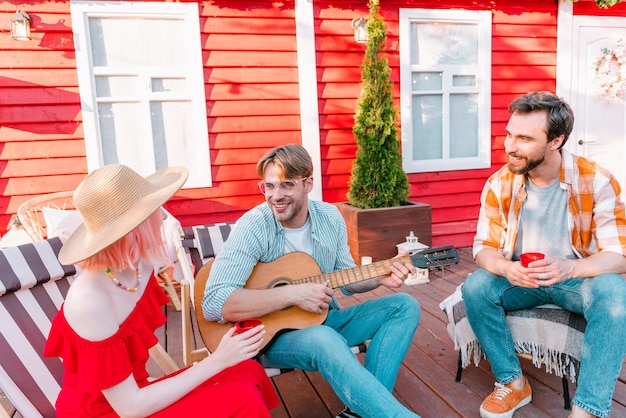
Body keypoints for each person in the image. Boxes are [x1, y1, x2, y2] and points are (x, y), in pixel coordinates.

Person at [201, 144, 421, 418]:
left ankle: (361, 413)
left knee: (404, 306)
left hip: (322, 319)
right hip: (268, 337)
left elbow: (346, 278)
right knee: (323, 338)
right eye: (268, 186)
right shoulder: (254, 225)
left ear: (308, 184)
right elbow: (214, 303)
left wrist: (380, 277)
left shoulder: (330, 218)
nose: (275, 196)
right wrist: (292, 295)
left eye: (286, 185)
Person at [44, 164, 278, 417]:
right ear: (134, 228)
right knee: (240, 398)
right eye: (156, 209)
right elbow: (130, 408)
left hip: (138, 391)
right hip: (107, 411)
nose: (164, 217)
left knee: (247, 371)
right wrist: (218, 359)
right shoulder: (90, 302)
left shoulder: (140, 266)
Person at [462, 91, 626, 418]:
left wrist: (569, 268)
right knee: (476, 287)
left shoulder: (597, 180)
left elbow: (619, 255)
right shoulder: (499, 183)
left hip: (574, 281)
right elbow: (483, 249)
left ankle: (588, 410)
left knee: (615, 293)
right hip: (520, 280)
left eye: (524, 138)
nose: (510, 146)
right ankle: (512, 382)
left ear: (556, 141)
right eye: (509, 134)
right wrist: (506, 268)